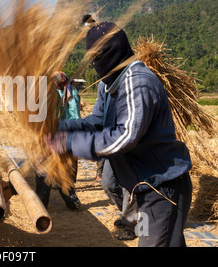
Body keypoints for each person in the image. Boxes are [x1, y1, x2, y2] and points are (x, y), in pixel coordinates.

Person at [44, 21, 193, 247]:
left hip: (162, 187)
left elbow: (126, 137)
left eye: (96, 57)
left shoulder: (137, 82)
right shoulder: (108, 84)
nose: (94, 64)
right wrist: (59, 127)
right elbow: (97, 121)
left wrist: (70, 143)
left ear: (111, 54)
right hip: (141, 188)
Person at [35, 71, 81, 211]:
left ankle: (71, 201)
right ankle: (42, 205)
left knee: (63, 170)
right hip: (49, 134)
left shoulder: (70, 93)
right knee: (46, 169)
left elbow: (75, 116)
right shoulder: (48, 92)